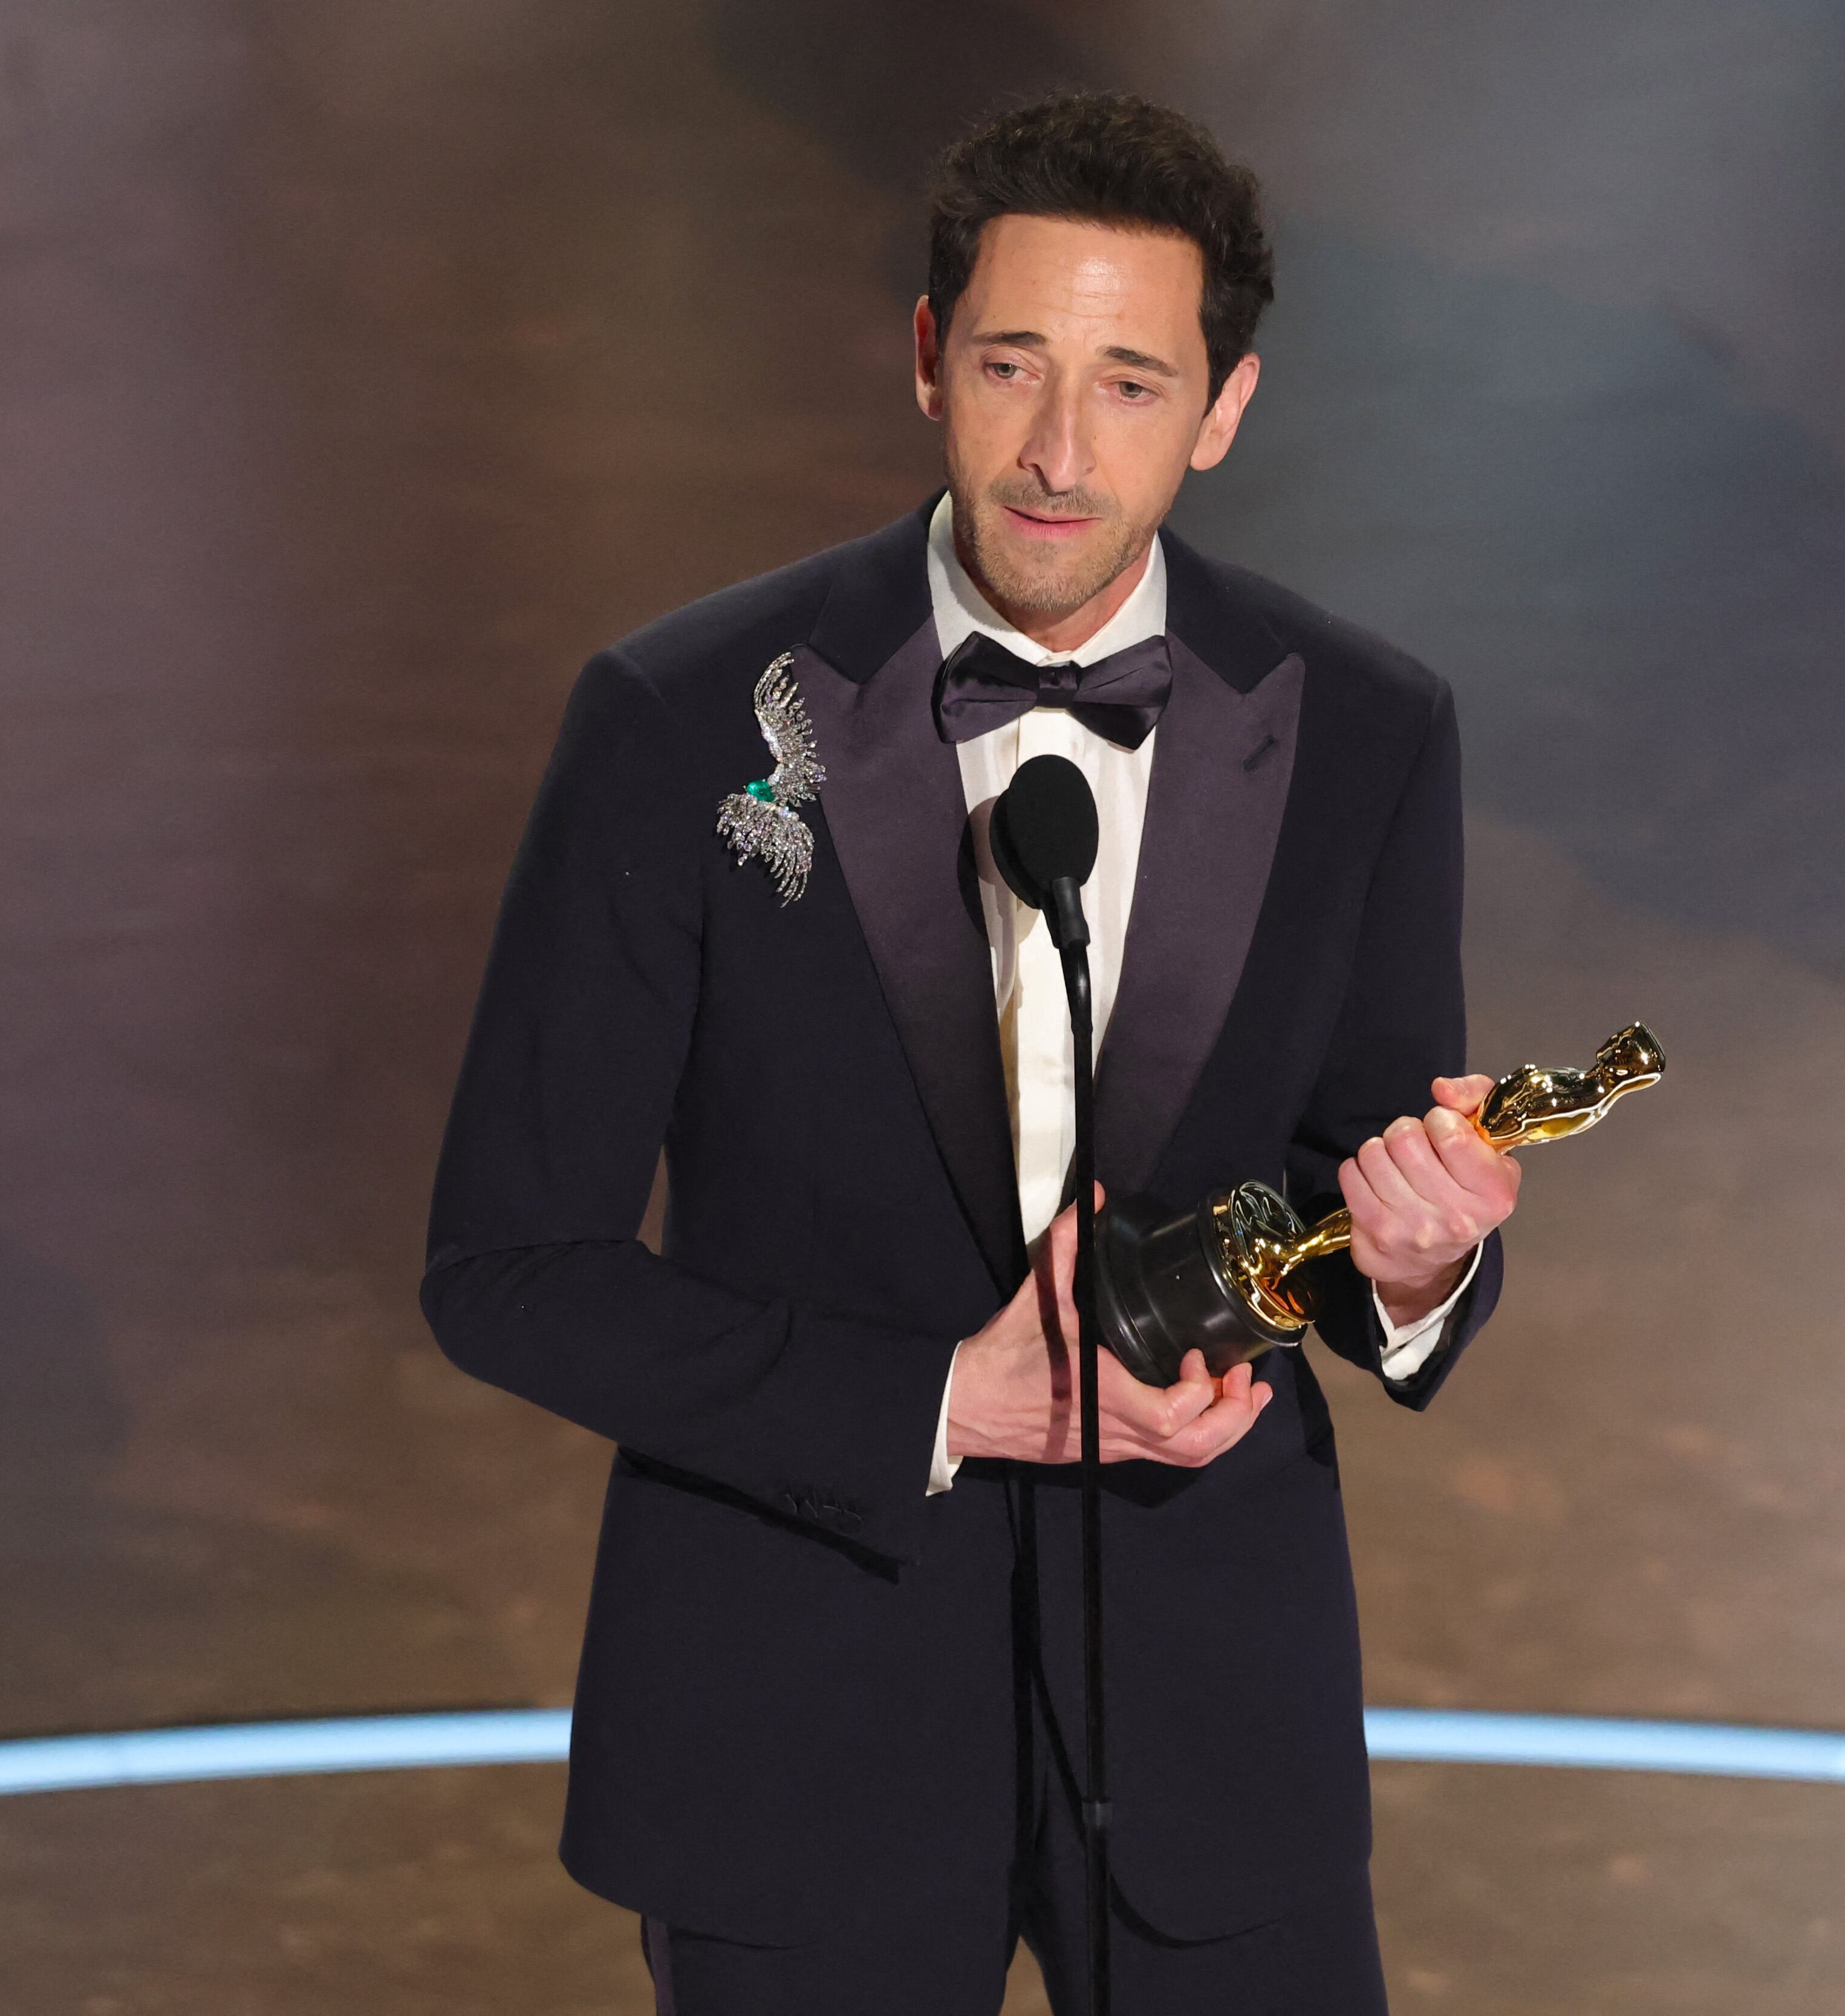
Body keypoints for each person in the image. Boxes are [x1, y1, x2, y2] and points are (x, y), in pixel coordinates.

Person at [423, 91, 1522, 2014]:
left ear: (1226, 407)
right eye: (1014, 365)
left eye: (1129, 383)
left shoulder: (1364, 729)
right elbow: (511, 1270)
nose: (1058, 452)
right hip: (796, 1716)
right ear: (930, 360)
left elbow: (1359, 1183)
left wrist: (1417, 1265)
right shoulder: (681, 722)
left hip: (1211, 1735)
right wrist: (942, 1400)